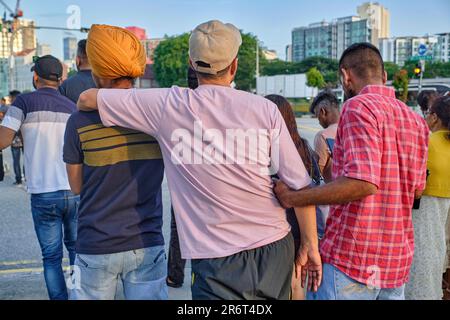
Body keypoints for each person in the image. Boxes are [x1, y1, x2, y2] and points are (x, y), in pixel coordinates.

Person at [77, 20, 321, 300]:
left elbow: (87, 99)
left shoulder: (167, 105)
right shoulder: (265, 109)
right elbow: (300, 187)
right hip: (275, 246)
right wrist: (310, 246)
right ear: (234, 66)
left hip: (216, 259)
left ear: (192, 64)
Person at [274, 42, 429, 300]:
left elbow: (364, 183)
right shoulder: (416, 120)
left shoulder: (358, 106)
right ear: (385, 76)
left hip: (354, 258)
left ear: (346, 76)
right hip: (395, 261)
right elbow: (416, 191)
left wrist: (294, 197)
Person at [64, 25, 167, 300]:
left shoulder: (78, 122)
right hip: (147, 243)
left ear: (96, 70)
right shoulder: (157, 118)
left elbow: (76, 187)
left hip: (95, 244)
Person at [0, 55, 78, 300]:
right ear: (61, 79)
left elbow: (2, 141)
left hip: (43, 194)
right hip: (73, 190)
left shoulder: (23, 102)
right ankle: (79, 295)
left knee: (51, 257)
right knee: (77, 251)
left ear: (35, 77)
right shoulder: (71, 107)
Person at [265, 94, 321, 300]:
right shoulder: (304, 147)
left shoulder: (265, 149)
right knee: (297, 283)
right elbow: (314, 181)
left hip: (277, 229)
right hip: (302, 226)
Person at [405, 96, 450, 300]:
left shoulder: (426, 143)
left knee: (420, 270)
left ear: (434, 117)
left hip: (423, 214)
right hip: (443, 219)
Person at [166, 67, 198, 289]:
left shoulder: (176, 106)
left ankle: (175, 276)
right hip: (213, 180)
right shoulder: (224, 105)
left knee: (179, 231)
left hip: (183, 183)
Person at [309, 90, 340, 183]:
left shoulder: (323, 135)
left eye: (317, 115)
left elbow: (315, 175)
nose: (318, 121)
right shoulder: (351, 129)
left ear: (323, 112)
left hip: (334, 193)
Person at [8, 90, 24, 185]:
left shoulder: (12, 109)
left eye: (10, 97)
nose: (9, 99)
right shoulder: (25, 107)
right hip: (24, 139)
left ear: (14, 97)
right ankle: (26, 177)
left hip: (14, 140)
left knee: (16, 161)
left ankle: (18, 179)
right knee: (26, 159)